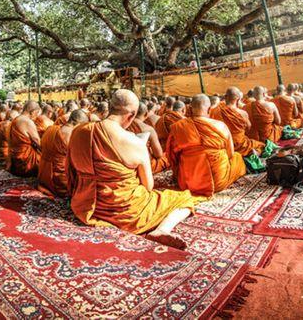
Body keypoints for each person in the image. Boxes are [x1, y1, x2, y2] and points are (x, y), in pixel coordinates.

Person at [66, 89, 201, 249]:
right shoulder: (135, 143)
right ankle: (162, 229)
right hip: (126, 212)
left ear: (110, 107)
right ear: (131, 116)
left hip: (86, 203)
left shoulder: (80, 132)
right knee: (184, 198)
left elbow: (72, 167)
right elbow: (148, 186)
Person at [167, 95, 246, 197]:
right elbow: (230, 153)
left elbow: (172, 156)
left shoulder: (179, 126)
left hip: (188, 182)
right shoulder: (221, 126)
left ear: (189, 109)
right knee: (237, 157)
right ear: (209, 109)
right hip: (218, 181)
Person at [38, 109, 88, 197]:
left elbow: (40, 145)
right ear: (78, 123)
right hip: (60, 180)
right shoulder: (72, 134)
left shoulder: (50, 129)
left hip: (43, 174)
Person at [209, 87, 264, 156]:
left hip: (224, 144)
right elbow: (248, 128)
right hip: (240, 143)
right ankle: (252, 152)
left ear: (225, 97)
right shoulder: (243, 113)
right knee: (261, 145)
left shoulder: (215, 111)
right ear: (238, 99)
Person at [126, 103, 169, 173]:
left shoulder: (124, 125)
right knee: (166, 157)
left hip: (126, 160)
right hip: (144, 164)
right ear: (146, 114)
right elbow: (158, 154)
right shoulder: (148, 129)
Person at [7, 101, 42, 177]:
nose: (36, 116)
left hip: (14, 158)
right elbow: (38, 143)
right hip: (26, 160)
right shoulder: (27, 121)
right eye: (36, 113)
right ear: (32, 112)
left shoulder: (15, 119)